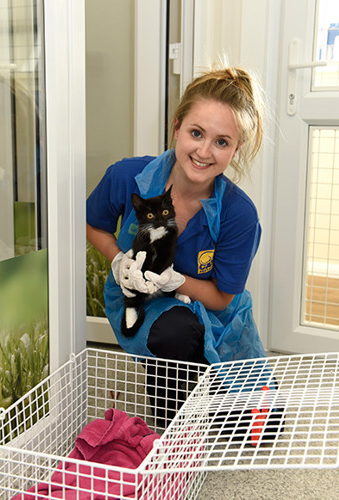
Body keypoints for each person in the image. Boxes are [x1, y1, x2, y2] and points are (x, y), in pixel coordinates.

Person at [86, 65, 268, 426]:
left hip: (215, 316)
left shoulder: (239, 214)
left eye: (221, 142)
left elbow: (220, 299)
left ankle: (217, 393)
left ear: (236, 149)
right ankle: (174, 428)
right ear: (177, 127)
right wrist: (119, 260)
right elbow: (94, 225)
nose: (204, 151)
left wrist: (170, 280)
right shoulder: (127, 177)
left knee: (261, 428)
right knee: (177, 332)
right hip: (143, 302)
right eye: (196, 133)